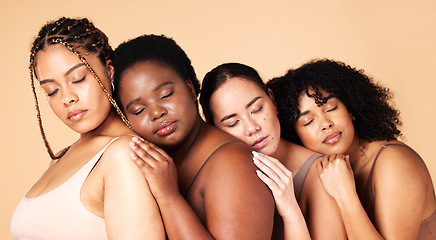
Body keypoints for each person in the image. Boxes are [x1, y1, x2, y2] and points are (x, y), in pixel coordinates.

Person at [10, 17, 165, 240]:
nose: (67, 98)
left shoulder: (125, 154)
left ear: (109, 71)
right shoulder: (61, 158)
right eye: (52, 90)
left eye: (77, 78)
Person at [112, 34, 275, 239]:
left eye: (165, 95)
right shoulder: (145, 167)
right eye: (138, 110)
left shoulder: (233, 163)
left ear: (190, 88)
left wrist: (169, 197)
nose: (156, 113)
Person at [267, 58, 436, 239]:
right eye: (308, 121)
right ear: (295, 135)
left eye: (331, 108)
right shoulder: (323, 173)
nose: (326, 124)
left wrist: (345, 194)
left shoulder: (394, 163)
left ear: (350, 109)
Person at [199, 62, 347, 239]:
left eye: (257, 109)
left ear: (272, 100)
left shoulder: (320, 173)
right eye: (233, 123)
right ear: (215, 130)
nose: (252, 128)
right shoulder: (221, 179)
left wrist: (291, 212)